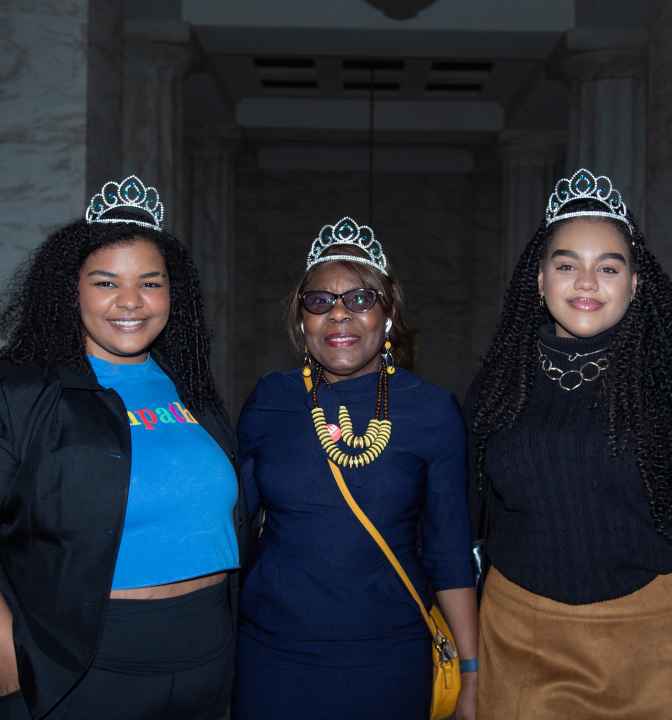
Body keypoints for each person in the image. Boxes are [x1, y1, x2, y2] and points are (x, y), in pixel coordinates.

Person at [466, 168, 672, 719]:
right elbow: (472, 525)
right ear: (538, 280)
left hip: (661, 650)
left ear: (635, 283)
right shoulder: (496, 386)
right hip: (520, 644)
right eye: (566, 265)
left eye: (608, 267)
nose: (586, 283)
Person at [0, 175, 247, 720]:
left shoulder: (192, 390)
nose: (131, 302)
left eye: (151, 283)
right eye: (107, 282)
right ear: (72, 290)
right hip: (85, 664)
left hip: (206, 656)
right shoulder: (22, 389)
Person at [232, 217, 477, 720]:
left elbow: (450, 549)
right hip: (272, 653)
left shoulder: (432, 410)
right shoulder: (271, 400)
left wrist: (471, 671)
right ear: (302, 320)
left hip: (389, 655)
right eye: (319, 301)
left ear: (388, 315)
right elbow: (234, 529)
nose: (339, 314)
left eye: (361, 299)